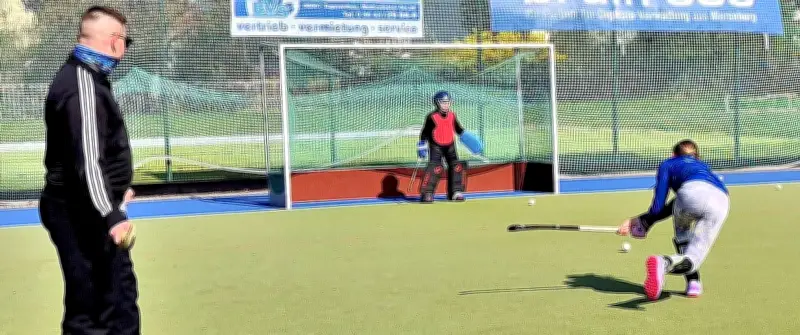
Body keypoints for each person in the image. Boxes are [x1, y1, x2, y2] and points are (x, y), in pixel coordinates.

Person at [39, 6, 140, 334]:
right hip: (80, 214)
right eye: (126, 41)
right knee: (93, 310)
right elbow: (87, 159)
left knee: (121, 299)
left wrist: (115, 190)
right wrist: (110, 215)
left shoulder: (91, 78)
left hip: (94, 206)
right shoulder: (80, 83)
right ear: (115, 42)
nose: (125, 49)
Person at [617, 139, 729, 301]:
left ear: (673, 154)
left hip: (687, 198)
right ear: (697, 157)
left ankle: (665, 263)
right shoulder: (704, 168)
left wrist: (643, 221)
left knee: (683, 239)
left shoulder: (668, 164)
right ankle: (693, 283)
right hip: (721, 201)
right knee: (693, 258)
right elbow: (673, 205)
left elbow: (658, 207)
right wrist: (643, 222)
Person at [417, 91, 467, 203]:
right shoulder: (431, 117)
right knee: (435, 168)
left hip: (450, 146)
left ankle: (456, 192)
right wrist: (422, 146)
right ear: (437, 103)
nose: (446, 105)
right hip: (436, 146)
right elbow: (424, 133)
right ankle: (428, 193)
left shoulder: (453, 116)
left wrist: (470, 140)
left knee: (456, 167)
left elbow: (459, 130)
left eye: (448, 102)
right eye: (443, 102)